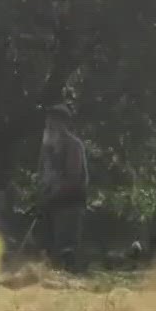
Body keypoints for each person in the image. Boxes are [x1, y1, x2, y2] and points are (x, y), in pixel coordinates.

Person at [38, 105, 88, 261]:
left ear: (64, 123)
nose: (50, 124)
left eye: (54, 121)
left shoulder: (73, 145)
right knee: (45, 248)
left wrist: (54, 192)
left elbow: (73, 177)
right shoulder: (47, 146)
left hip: (69, 202)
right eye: (48, 121)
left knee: (65, 249)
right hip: (49, 201)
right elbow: (41, 172)